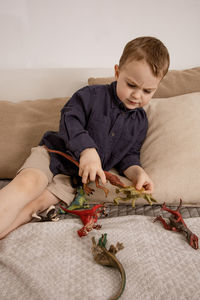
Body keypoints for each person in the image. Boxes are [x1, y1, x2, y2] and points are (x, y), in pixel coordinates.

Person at [0, 36, 170, 239]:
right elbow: (69, 120)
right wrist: (87, 150)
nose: (137, 95)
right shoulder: (90, 95)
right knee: (29, 183)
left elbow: (129, 155)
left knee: (36, 205)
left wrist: (137, 173)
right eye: (131, 85)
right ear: (117, 72)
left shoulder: (140, 121)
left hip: (74, 180)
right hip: (52, 155)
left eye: (147, 91)